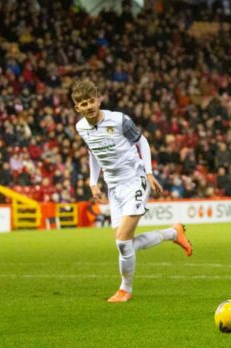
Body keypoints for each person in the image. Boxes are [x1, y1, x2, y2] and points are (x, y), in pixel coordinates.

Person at [72, 79, 193, 303]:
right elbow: (93, 152)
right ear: (77, 108)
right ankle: (173, 233)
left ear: (98, 100)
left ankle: (125, 289)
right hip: (113, 187)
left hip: (134, 180)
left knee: (122, 242)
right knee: (125, 242)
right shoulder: (81, 127)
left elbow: (142, 141)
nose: (88, 106)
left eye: (91, 101)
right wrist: (93, 181)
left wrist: (148, 173)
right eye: (83, 104)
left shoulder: (118, 120)